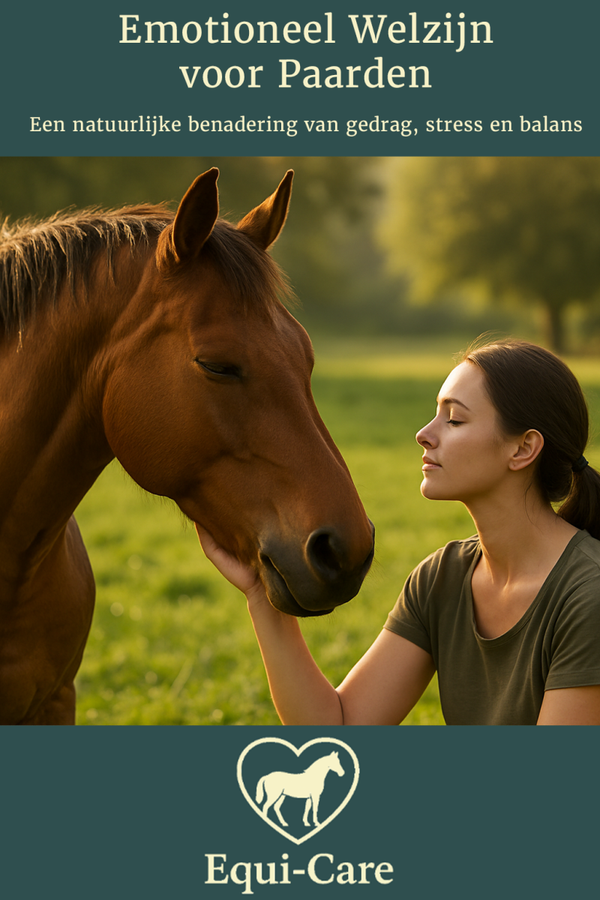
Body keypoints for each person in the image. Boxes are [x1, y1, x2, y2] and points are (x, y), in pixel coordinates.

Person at [198, 339, 600, 725]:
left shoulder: (589, 596)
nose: (424, 433)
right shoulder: (442, 579)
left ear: (523, 449)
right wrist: (262, 594)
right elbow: (338, 728)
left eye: (454, 418)